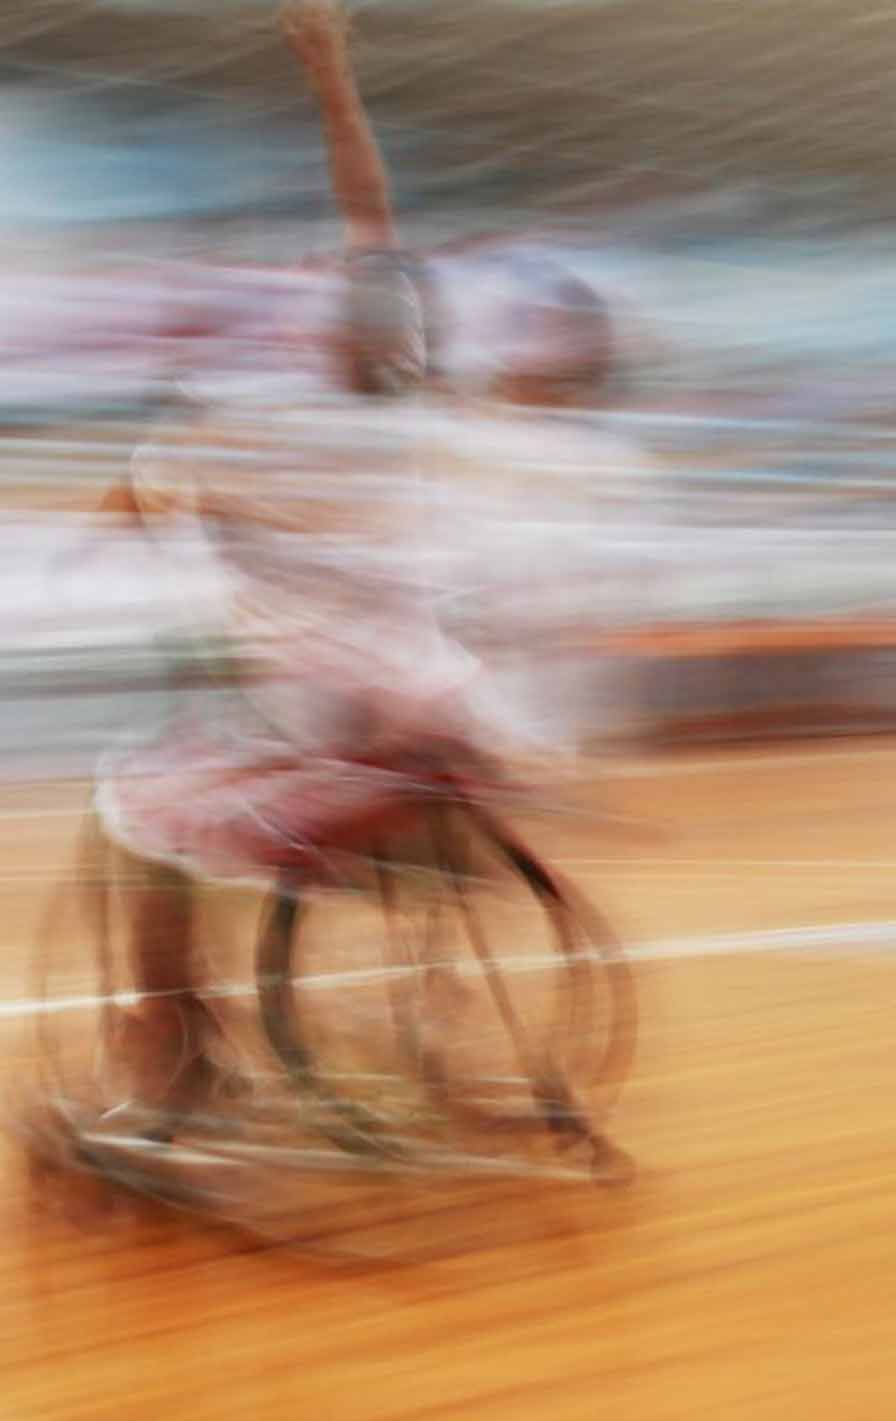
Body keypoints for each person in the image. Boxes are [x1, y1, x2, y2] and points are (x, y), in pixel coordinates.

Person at [87, 1, 541, 1130]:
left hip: (343, 755)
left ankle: (175, 1048)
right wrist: (331, 70)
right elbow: (371, 227)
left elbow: (130, 511)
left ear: (329, 334)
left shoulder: (248, 433)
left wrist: (144, 496)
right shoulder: (422, 416)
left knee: (131, 812)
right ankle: (413, 1015)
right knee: (245, 770)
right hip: (449, 746)